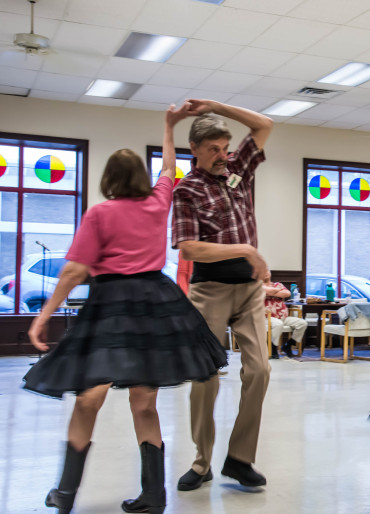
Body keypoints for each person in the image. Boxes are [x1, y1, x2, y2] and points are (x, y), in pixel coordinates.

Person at [22, 103, 227, 514]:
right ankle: (154, 496)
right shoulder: (157, 202)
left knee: (88, 399)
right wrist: (169, 127)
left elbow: (74, 272)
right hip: (154, 304)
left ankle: (65, 492)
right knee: (144, 402)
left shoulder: (100, 213)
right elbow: (169, 167)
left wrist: (42, 317)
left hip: (111, 307)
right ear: (141, 178)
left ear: (108, 179)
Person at [172, 99, 274, 492]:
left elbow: (264, 124)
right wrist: (246, 250)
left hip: (248, 290)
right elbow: (188, 247)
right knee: (205, 376)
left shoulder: (239, 172)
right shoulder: (187, 190)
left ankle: (239, 458)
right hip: (209, 290)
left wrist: (215, 106)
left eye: (224, 148)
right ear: (194, 150)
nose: (221, 156)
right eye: (212, 149)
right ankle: (201, 462)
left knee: (260, 371)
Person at [264, 269, 308, 358]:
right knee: (278, 324)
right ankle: (273, 348)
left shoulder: (278, 284)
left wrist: (272, 292)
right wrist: (277, 292)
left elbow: (287, 293)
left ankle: (288, 345)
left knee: (302, 323)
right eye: (263, 271)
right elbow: (267, 292)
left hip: (283, 316)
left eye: (267, 271)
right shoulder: (258, 286)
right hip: (267, 318)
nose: (266, 273)